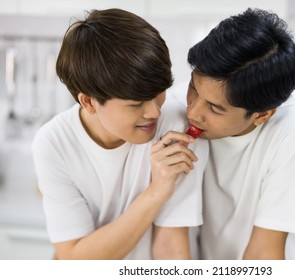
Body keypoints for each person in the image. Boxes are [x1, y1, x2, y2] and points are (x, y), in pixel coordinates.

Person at [32, 8, 208, 260]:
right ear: (89, 103)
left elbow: (171, 248)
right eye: (136, 104)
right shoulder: (53, 143)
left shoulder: (176, 125)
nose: (154, 112)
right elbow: (74, 259)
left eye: (158, 93)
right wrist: (157, 190)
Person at [184, 8, 295, 259]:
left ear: (262, 115)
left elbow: (264, 254)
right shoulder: (179, 108)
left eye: (215, 108)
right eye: (193, 89)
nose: (193, 112)